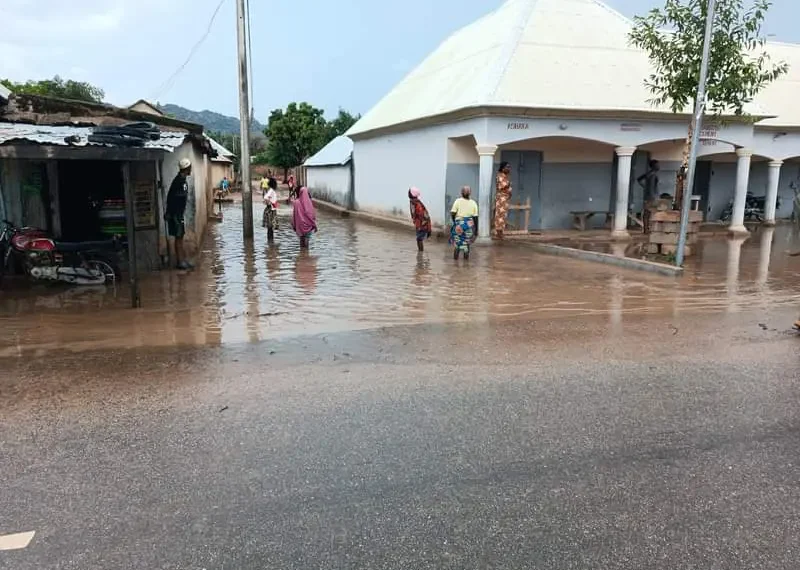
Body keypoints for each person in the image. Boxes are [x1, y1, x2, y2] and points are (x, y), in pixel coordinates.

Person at [165, 158, 193, 270]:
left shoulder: (182, 180)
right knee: (178, 236)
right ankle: (180, 261)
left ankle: (182, 260)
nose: (191, 169)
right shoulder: (178, 181)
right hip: (175, 214)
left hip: (179, 213)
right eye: (190, 167)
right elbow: (171, 198)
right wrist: (170, 212)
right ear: (186, 169)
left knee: (180, 236)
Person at [450, 186, 478, 260]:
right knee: (466, 244)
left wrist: (455, 222)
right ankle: (466, 264)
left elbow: (453, 213)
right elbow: (475, 218)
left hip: (458, 226)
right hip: (469, 226)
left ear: (461, 193)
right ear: (470, 193)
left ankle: (455, 264)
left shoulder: (457, 201)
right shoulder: (473, 203)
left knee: (457, 245)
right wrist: (476, 230)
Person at [637, 160, 660, 232]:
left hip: (648, 196)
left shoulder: (649, 173)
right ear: (653, 166)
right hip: (651, 197)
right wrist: (653, 197)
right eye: (657, 165)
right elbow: (651, 187)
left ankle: (646, 228)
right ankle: (647, 229)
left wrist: (644, 187)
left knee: (647, 213)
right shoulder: (653, 175)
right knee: (648, 213)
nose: (659, 166)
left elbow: (639, 179)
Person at [408, 187, 431, 252]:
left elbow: (421, 215)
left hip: (422, 225)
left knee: (419, 239)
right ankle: (420, 252)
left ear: (412, 194)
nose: (408, 194)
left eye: (409, 192)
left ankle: (420, 252)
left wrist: (421, 225)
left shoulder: (417, 204)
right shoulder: (414, 202)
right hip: (420, 224)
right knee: (419, 239)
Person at [494, 162, 512, 239]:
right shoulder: (500, 176)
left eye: (509, 167)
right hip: (501, 198)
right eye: (507, 167)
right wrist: (509, 185)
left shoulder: (505, 176)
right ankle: (499, 233)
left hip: (505, 198)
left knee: (503, 216)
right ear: (503, 168)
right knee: (500, 216)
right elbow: (503, 186)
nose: (509, 169)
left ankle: (500, 233)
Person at [262, 177, 279, 242]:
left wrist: (268, 203)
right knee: (270, 227)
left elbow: (266, 198)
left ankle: (270, 242)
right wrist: (269, 203)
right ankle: (270, 242)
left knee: (270, 227)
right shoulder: (272, 191)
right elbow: (266, 198)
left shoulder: (271, 190)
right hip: (271, 210)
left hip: (270, 209)